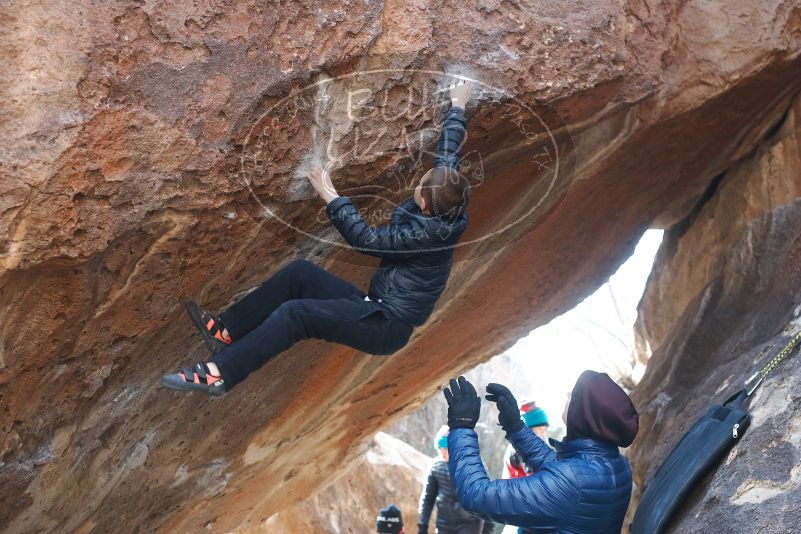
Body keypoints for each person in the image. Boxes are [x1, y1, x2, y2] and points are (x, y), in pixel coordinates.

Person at [160, 79, 473, 396]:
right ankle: (227, 331)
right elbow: (447, 157)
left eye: (419, 187)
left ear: (423, 203)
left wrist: (330, 195)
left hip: (385, 325)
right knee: (300, 274)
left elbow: (366, 239)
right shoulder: (447, 201)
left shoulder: (427, 234)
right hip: (375, 307)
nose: (419, 184)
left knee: (297, 314)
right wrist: (458, 105)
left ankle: (220, 374)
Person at [442, 372, 639, 533]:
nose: (568, 394)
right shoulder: (616, 464)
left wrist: (462, 427)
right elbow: (559, 470)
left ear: (585, 414)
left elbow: (475, 494)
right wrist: (516, 427)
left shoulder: (571, 482)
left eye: (575, 395)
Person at [418, 427, 494, 534]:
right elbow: (428, 498)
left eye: (445, 449)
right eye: (440, 449)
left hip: (470, 523)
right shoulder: (436, 467)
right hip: (444, 523)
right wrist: (422, 525)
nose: (442, 453)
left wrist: (488, 529)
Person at [502, 400, 548, 480]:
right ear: (528, 429)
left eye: (545, 428)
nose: (543, 432)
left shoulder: (530, 444)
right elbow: (534, 477)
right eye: (540, 428)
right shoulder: (523, 447)